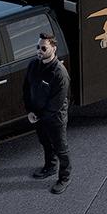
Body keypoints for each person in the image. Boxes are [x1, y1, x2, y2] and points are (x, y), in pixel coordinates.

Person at [25, 33, 71, 193]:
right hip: (38, 116)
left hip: (54, 118)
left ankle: (65, 177)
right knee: (45, 142)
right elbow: (26, 88)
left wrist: (39, 116)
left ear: (53, 48)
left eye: (43, 48)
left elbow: (56, 103)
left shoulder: (60, 73)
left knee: (61, 148)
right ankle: (50, 166)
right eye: (38, 47)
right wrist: (30, 111)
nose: (39, 51)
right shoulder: (33, 65)